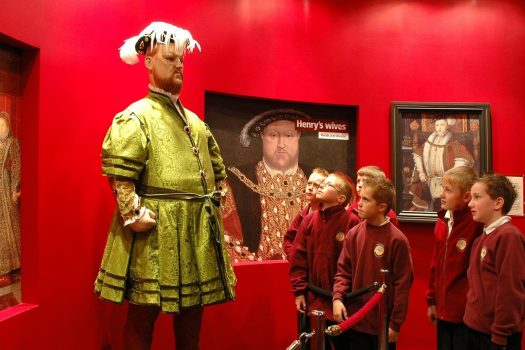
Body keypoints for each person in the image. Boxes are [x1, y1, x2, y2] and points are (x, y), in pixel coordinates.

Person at [93, 22, 236, 350]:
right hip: (156, 232)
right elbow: (121, 175)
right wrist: (132, 213)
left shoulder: (196, 122)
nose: (179, 65)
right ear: (148, 61)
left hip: (195, 231)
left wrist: (216, 202)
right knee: (143, 316)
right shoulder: (137, 116)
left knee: (191, 317)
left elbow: (217, 169)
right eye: (170, 59)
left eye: (181, 60)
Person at [333, 176, 413, 350]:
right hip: (355, 319)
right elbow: (343, 271)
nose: (359, 203)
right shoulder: (353, 234)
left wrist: (395, 323)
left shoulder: (397, 240)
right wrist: (337, 298)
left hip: (382, 323)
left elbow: (402, 284)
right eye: (360, 198)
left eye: (366, 200)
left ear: (382, 207)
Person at [223, 109, 312, 261]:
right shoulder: (234, 181)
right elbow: (226, 238)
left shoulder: (323, 179)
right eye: (273, 135)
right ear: (262, 137)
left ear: (298, 137)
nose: (281, 144)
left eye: (288, 135)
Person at [289, 171, 360, 350]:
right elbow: (298, 257)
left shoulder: (352, 222)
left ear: (340, 198)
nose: (321, 186)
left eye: (328, 185)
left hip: (341, 301)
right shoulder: (309, 220)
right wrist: (299, 291)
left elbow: (353, 265)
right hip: (312, 297)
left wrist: (341, 296)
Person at [463, 174, 525, 350]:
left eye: (477, 197)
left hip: (495, 337)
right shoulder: (483, 237)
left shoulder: (508, 237)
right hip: (475, 329)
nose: (470, 204)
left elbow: (511, 290)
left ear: (498, 203)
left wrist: (500, 335)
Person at [426, 166, 483, 350]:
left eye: (448, 190)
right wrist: (432, 300)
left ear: (466, 197)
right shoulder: (442, 221)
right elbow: (435, 263)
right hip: (443, 310)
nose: (442, 194)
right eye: (442, 188)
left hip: (466, 314)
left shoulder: (476, 224)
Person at [410, 117, 475, 211]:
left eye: (442, 125)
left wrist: (448, 177)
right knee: (428, 205)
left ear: (447, 126)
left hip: (445, 182)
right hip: (429, 180)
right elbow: (418, 154)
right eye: (437, 125)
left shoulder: (453, 142)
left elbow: (463, 159)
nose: (439, 128)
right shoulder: (429, 141)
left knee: (446, 207)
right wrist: (421, 173)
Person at [283, 167, 329, 260]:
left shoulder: (329, 215)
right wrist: (295, 258)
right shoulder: (303, 214)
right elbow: (289, 239)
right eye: (309, 183)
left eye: (316, 185)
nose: (310, 188)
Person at [0, 111, 20, 287]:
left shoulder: (12, 143)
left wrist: (14, 190)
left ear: (8, 127)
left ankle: (11, 268)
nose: (0, 129)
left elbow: (16, 167)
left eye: (3, 126)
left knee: (8, 223)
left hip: (5, 186)